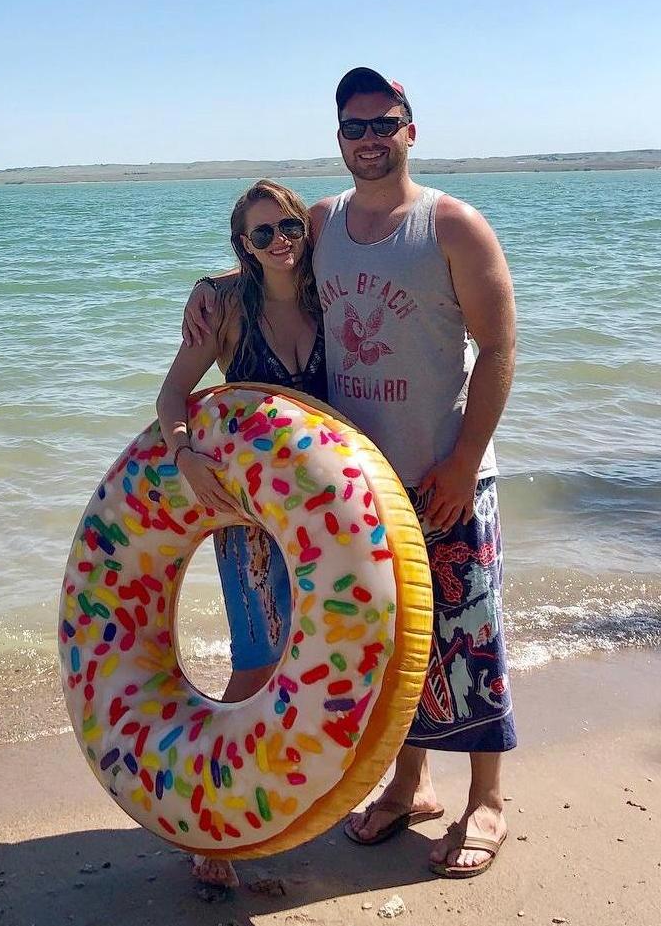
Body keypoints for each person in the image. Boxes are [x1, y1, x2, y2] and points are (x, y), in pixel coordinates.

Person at [182, 68, 517, 879]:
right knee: (391, 648)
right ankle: (408, 787)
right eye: (354, 125)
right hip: (354, 496)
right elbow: (270, 272)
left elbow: (499, 350)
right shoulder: (322, 221)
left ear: (411, 129)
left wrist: (462, 459)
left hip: (444, 474)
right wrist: (206, 297)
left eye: (384, 122)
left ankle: (488, 803)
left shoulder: (452, 225)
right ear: (338, 138)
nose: (370, 137)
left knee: (467, 639)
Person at [156, 178, 327, 888]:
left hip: (328, 521)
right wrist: (184, 451)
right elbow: (172, 395)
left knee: (319, 658)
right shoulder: (225, 310)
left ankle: (295, 796)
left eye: (287, 225)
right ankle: (209, 822)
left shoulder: (330, 293)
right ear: (242, 246)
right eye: (260, 234)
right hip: (250, 520)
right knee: (257, 661)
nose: (278, 240)